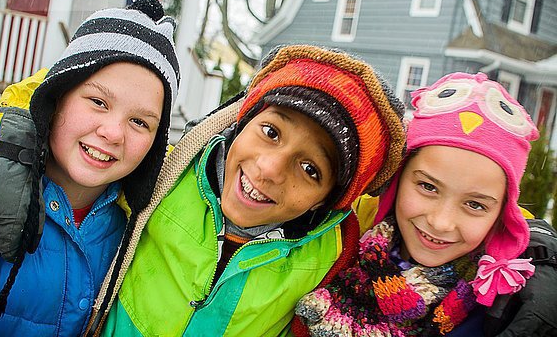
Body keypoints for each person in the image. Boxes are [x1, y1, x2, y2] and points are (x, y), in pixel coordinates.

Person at [81, 44, 407, 336]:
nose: (268, 168)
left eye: (310, 170)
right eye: (270, 131)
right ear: (241, 124)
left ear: (326, 201)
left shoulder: (332, 256)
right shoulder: (164, 177)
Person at [0, 0, 180, 336]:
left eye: (139, 121)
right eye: (98, 102)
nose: (112, 132)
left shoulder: (140, 229)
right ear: (57, 96)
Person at [294, 72, 557, 336]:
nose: (440, 222)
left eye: (475, 205)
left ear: (502, 214)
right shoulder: (341, 231)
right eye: (428, 187)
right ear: (397, 179)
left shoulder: (500, 307)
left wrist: (546, 253)